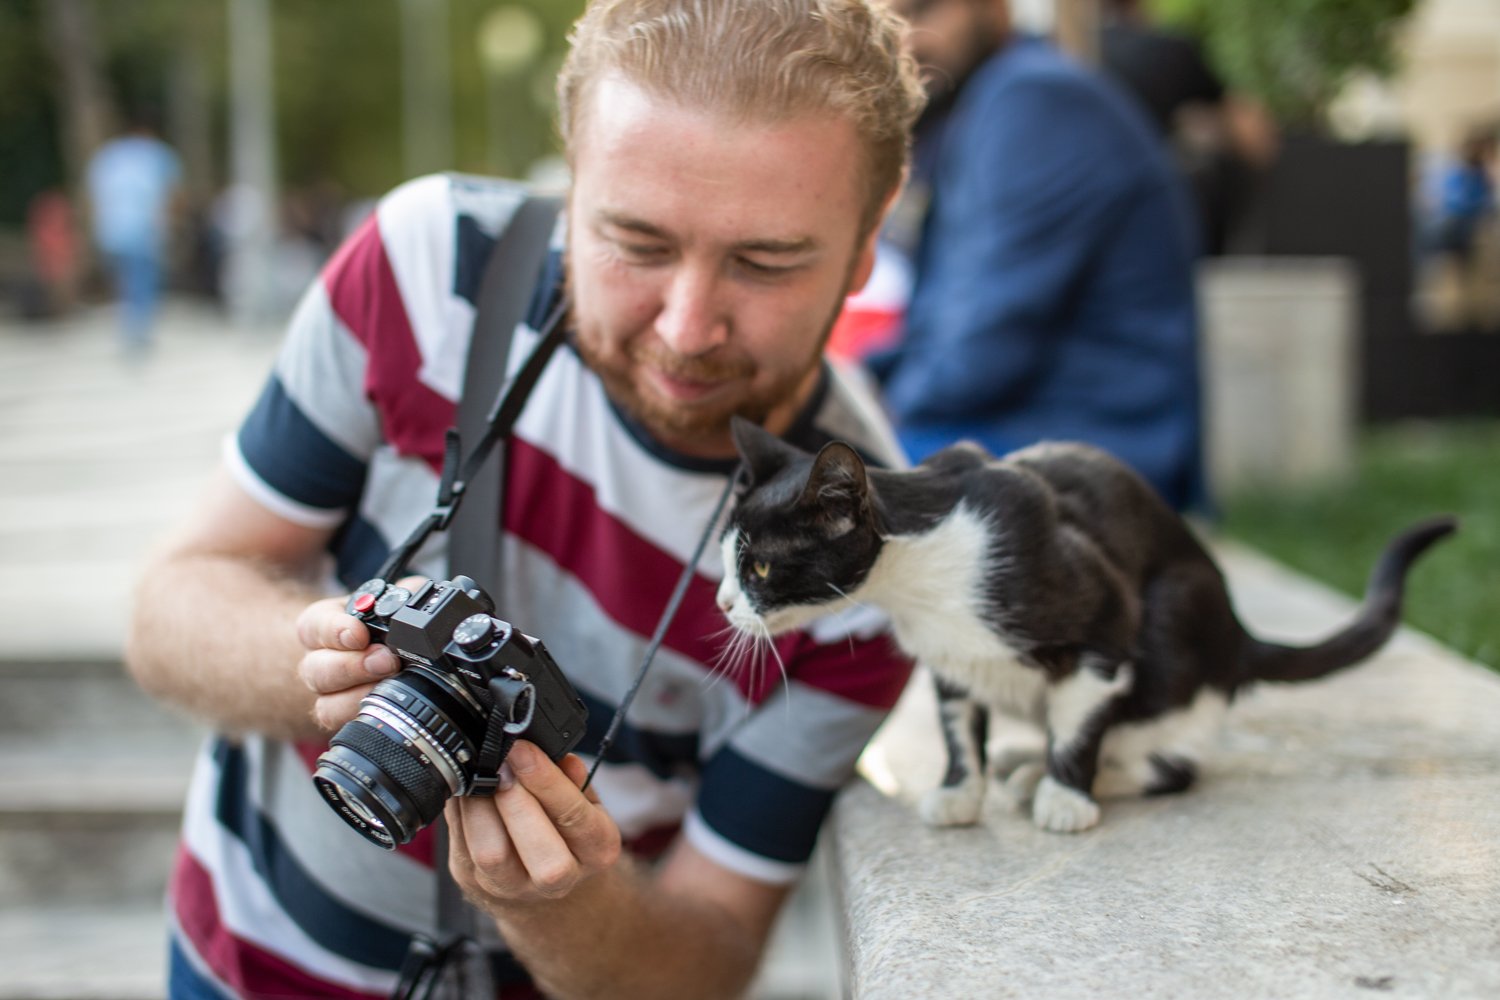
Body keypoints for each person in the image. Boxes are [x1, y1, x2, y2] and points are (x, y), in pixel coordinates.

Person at [124, 2, 924, 998]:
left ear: (870, 235)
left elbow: (709, 957)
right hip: (236, 959)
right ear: (572, 173)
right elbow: (171, 606)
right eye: (635, 241)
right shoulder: (428, 268)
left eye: (765, 262)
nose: (686, 328)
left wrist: (560, 905)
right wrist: (341, 670)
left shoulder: (864, 565)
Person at [869, 0, 1207, 512]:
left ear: (994, 8)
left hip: (1088, 453)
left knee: (811, 476)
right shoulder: (991, 102)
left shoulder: (1036, 100)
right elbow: (941, 326)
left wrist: (870, 412)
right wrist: (847, 378)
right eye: (890, 19)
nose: (907, 39)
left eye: (923, 10)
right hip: (1012, 431)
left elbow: (986, 346)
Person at [1097, 0, 1278, 256]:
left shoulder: (1072, 55)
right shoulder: (1169, 50)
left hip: (1091, 214)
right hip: (1157, 214)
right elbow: (1254, 137)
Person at [84, 110, 182, 354]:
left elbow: (94, 194)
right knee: (142, 279)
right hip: (144, 229)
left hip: (111, 229)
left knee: (124, 280)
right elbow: (172, 194)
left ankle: (128, 327)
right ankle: (137, 331)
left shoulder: (109, 154)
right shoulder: (158, 154)